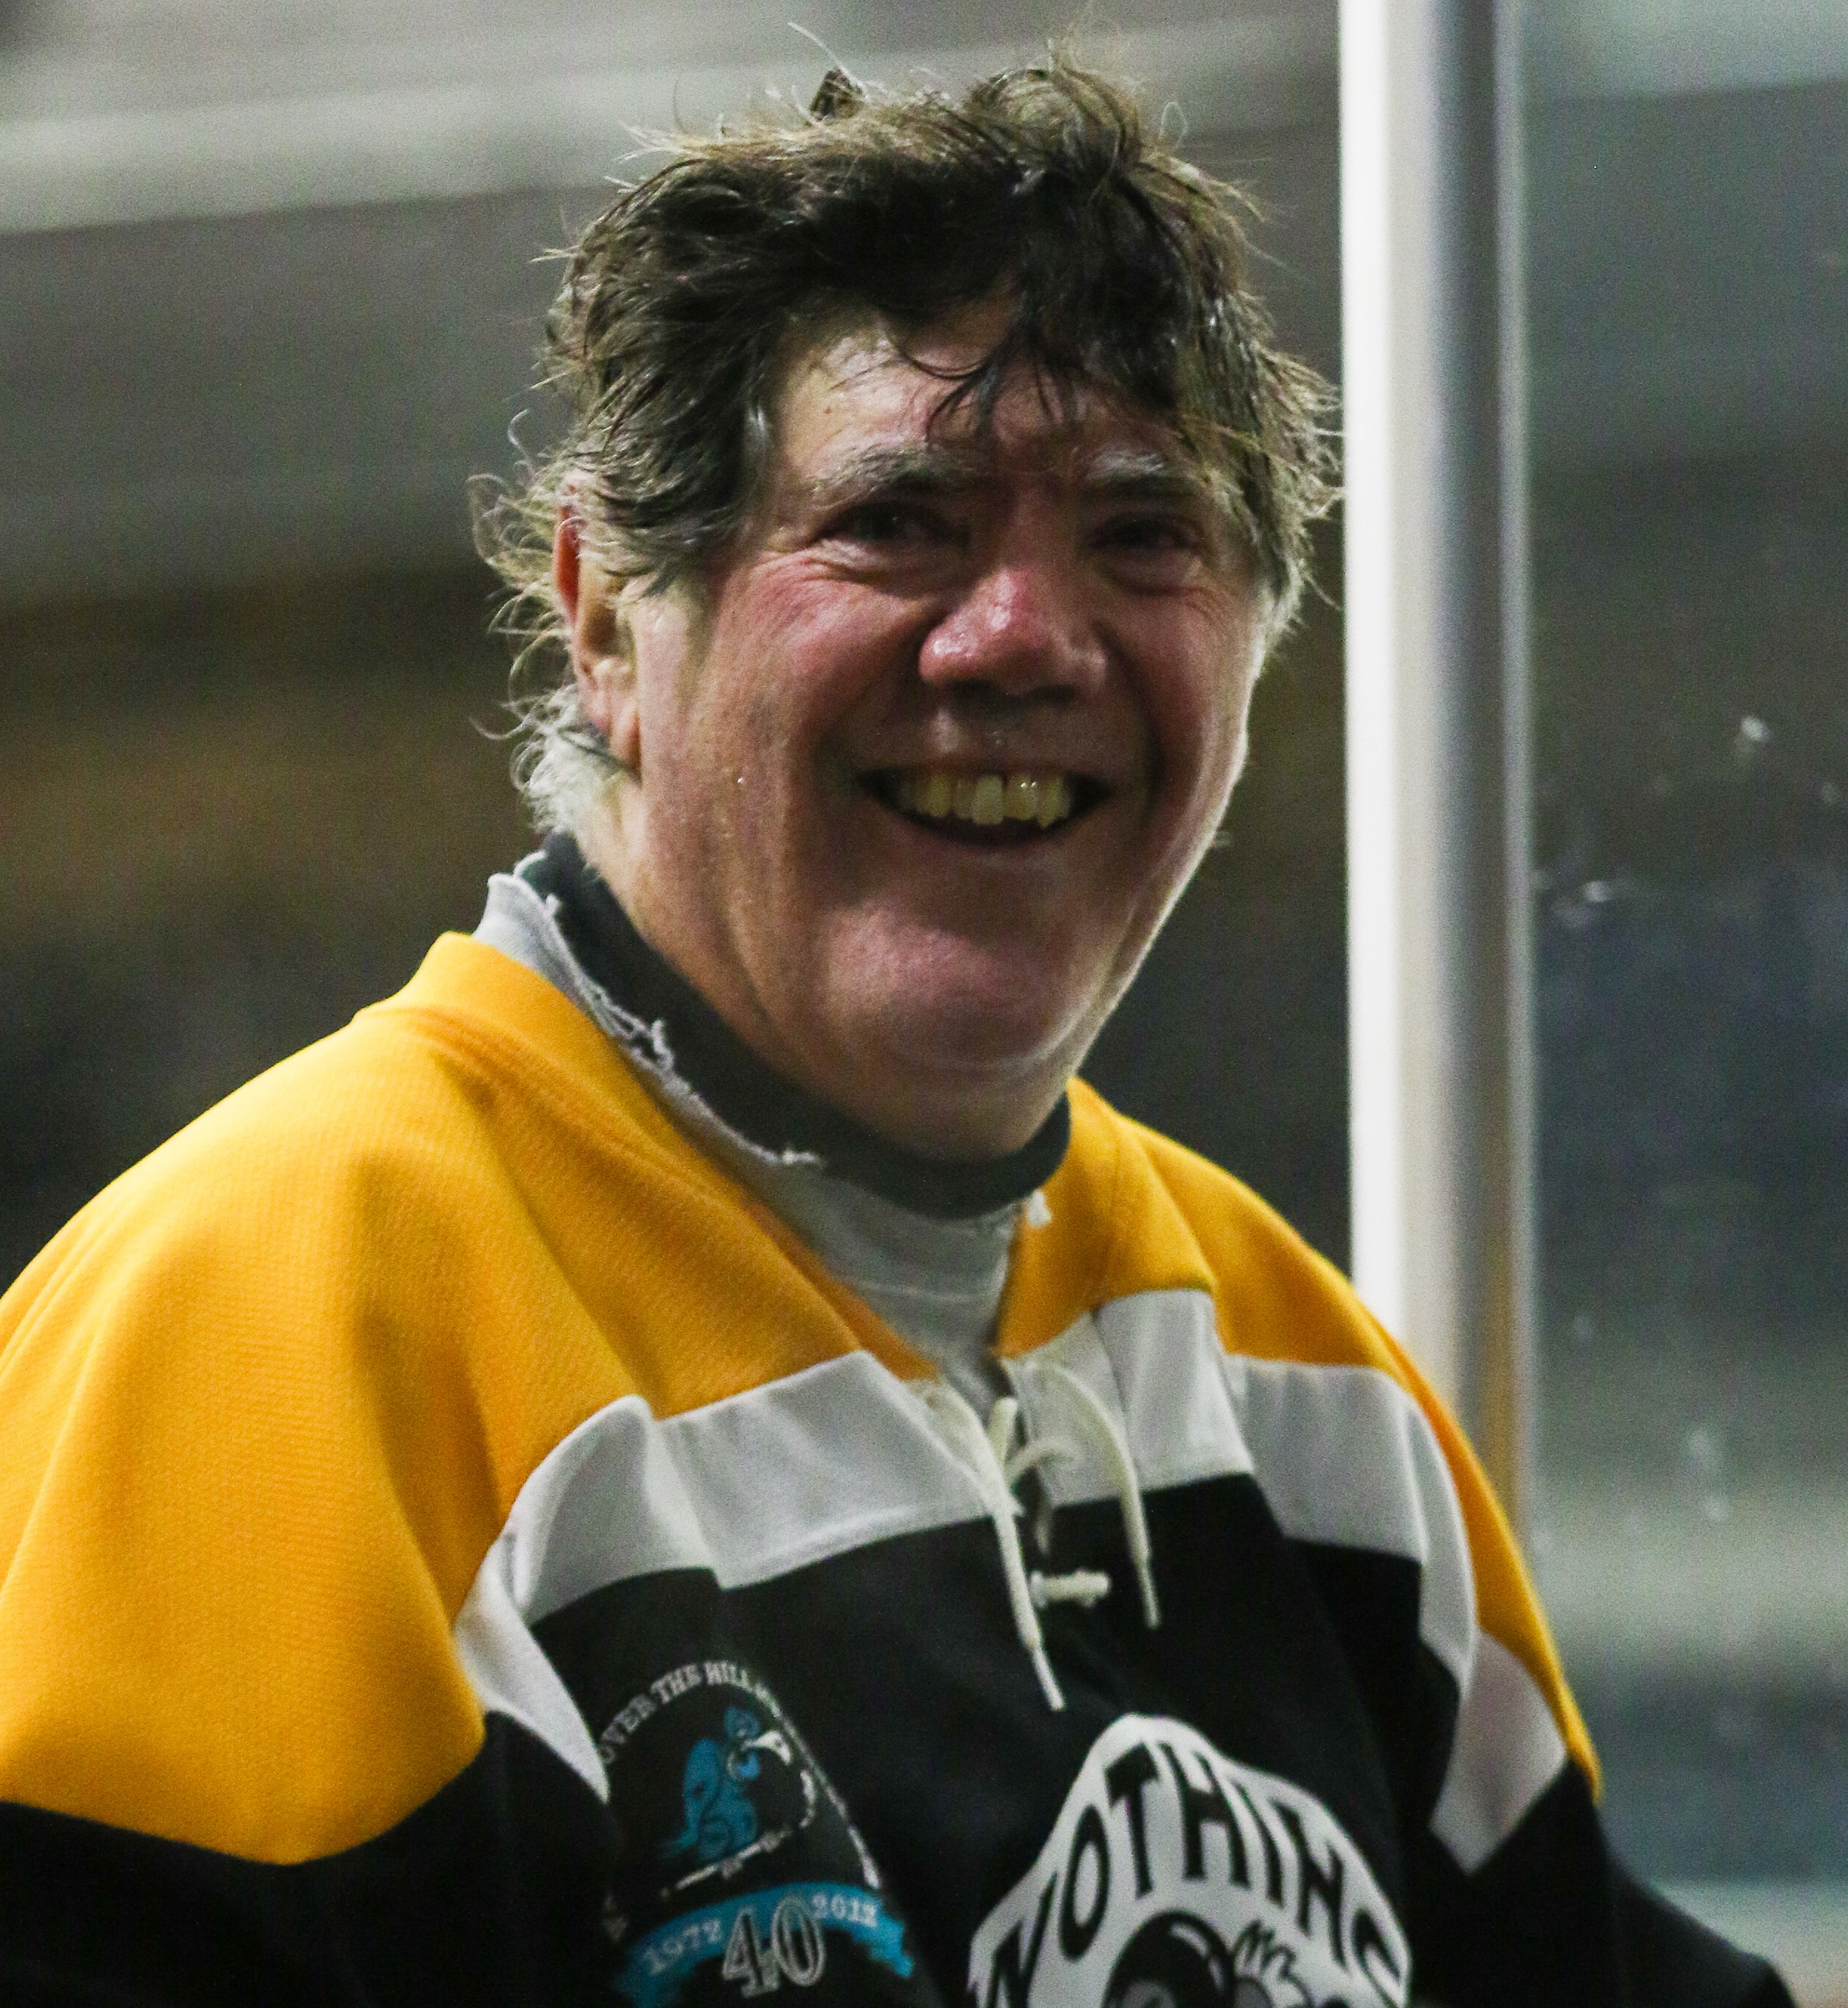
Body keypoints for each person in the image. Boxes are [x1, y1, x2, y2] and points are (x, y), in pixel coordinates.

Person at [0, 59, 1790, 2008]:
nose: (1023, 634)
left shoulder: (1298, 1391)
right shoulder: (269, 1324)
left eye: (1142, 532)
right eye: (895, 522)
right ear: (607, 620)